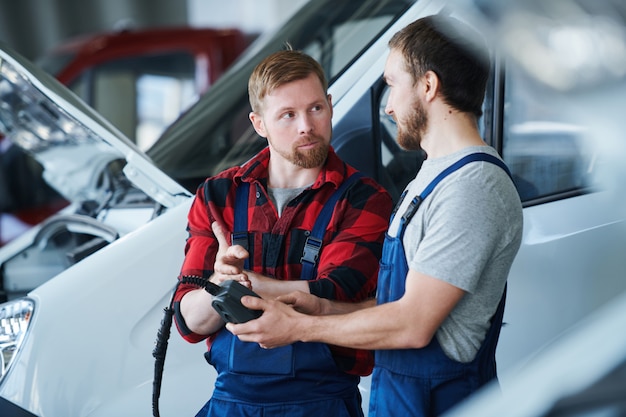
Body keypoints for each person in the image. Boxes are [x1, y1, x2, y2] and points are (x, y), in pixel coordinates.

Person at [227, 15, 524, 417]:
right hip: (404, 399)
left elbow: (413, 324)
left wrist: (298, 328)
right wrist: (326, 310)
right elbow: (401, 303)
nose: (387, 105)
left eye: (392, 84)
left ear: (428, 86)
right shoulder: (434, 177)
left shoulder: (473, 187)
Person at [172, 48, 392, 417]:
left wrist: (239, 285)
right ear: (259, 124)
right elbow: (188, 323)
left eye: (315, 108)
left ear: (331, 106)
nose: (306, 125)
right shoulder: (216, 196)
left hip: (321, 404)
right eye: (288, 115)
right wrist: (218, 282)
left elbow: (334, 295)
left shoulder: (365, 199)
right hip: (231, 403)